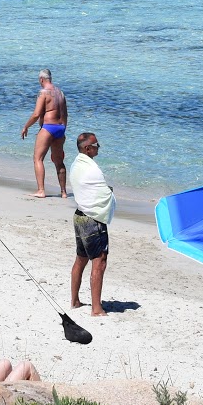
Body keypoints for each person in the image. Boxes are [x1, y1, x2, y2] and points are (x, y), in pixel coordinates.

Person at [69, 132, 112, 317]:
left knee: (81, 258)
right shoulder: (92, 169)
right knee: (99, 261)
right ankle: (96, 309)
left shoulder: (76, 164)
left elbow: (90, 190)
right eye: (96, 145)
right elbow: (103, 193)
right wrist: (109, 192)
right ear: (87, 148)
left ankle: (75, 301)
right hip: (92, 219)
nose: (98, 147)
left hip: (79, 215)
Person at [19, 69, 68, 198]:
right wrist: (63, 129)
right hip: (60, 128)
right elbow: (65, 114)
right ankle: (63, 192)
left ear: (41, 79)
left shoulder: (43, 93)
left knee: (38, 158)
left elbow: (36, 114)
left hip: (49, 127)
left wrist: (26, 126)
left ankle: (41, 190)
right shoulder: (60, 93)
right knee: (59, 160)